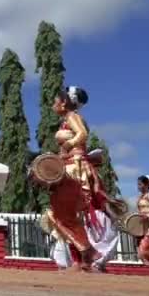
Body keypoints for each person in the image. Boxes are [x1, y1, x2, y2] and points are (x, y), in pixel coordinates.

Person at [45, 86, 103, 272]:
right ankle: (83, 258)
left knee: (62, 214)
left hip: (74, 168)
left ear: (64, 103)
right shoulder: (66, 120)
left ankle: (86, 256)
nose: (53, 104)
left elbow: (82, 134)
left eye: (56, 101)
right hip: (68, 165)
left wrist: (68, 145)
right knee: (63, 215)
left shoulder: (72, 117)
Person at [136, 175, 149, 265]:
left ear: (147, 185)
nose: (138, 186)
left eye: (140, 184)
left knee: (144, 251)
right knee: (140, 253)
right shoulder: (140, 197)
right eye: (138, 184)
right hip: (143, 227)